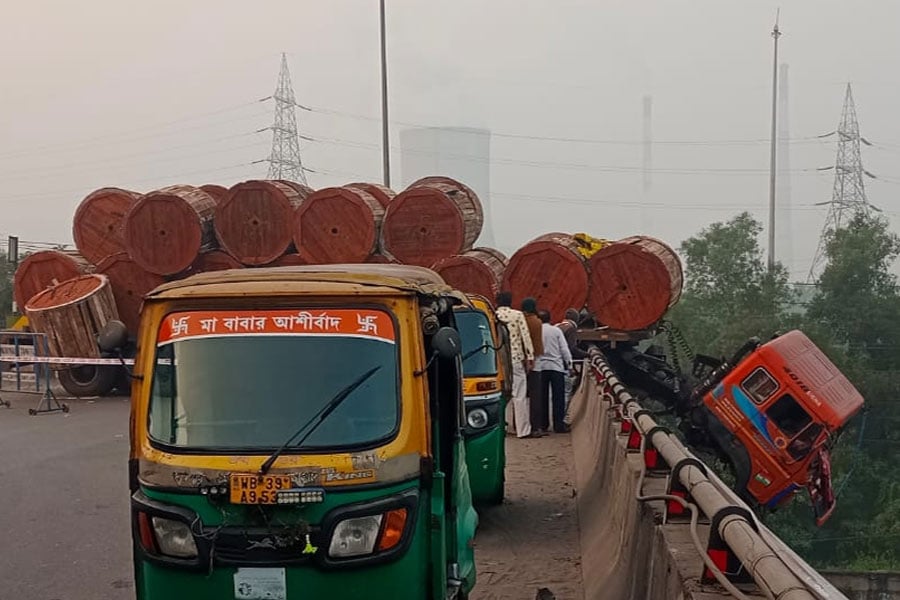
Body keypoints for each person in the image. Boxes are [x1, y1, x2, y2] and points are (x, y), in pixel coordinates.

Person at [494, 291, 535, 439]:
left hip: (499, 360)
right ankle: (523, 430)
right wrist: (530, 356)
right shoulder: (517, 315)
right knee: (519, 394)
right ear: (511, 301)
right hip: (516, 359)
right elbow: (525, 336)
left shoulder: (494, 315)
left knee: (500, 395)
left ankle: (500, 428)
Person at [536, 309, 573, 433]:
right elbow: (564, 349)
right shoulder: (556, 331)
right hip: (556, 367)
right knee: (558, 398)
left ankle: (543, 424)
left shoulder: (536, 331)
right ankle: (558, 425)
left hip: (541, 367)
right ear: (550, 319)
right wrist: (569, 364)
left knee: (542, 397)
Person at [521, 297, 546, 437]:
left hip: (520, 361)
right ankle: (536, 426)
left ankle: (520, 424)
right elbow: (537, 344)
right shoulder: (537, 322)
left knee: (520, 396)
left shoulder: (521, 320)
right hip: (535, 362)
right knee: (536, 397)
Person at [556, 308, 589, 399]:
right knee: (566, 390)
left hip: (552, 363)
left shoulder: (557, 326)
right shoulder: (570, 329)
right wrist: (586, 354)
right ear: (576, 319)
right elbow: (571, 349)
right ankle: (562, 411)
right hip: (562, 365)